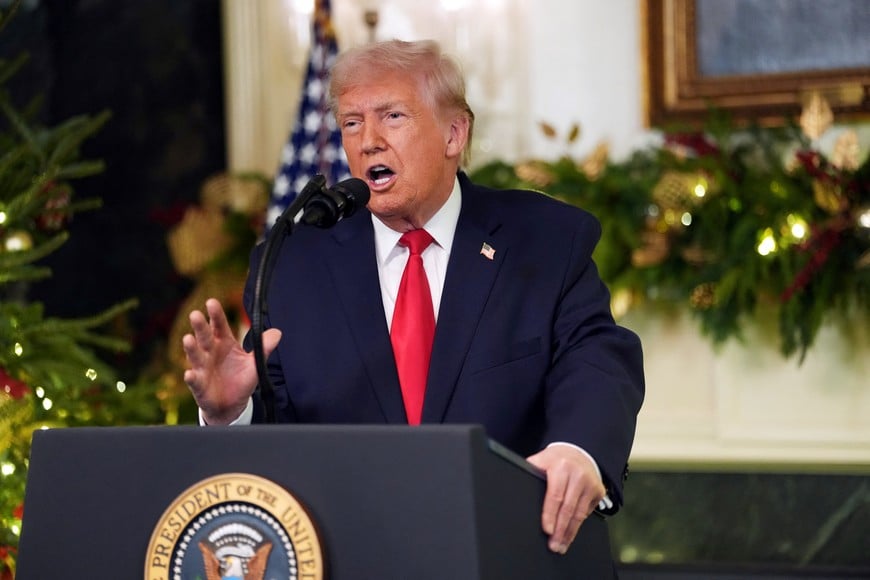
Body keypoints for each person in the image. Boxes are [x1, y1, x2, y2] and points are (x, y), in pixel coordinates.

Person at [183, 38, 644, 569]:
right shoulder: (295, 263)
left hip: (513, 553)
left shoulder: (543, 239)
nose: (369, 141)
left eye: (392, 116)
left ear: (454, 133)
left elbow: (598, 361)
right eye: (351, 124)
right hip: (355, 557)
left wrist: (578, 450)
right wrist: (229, 412)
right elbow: (276, 451)